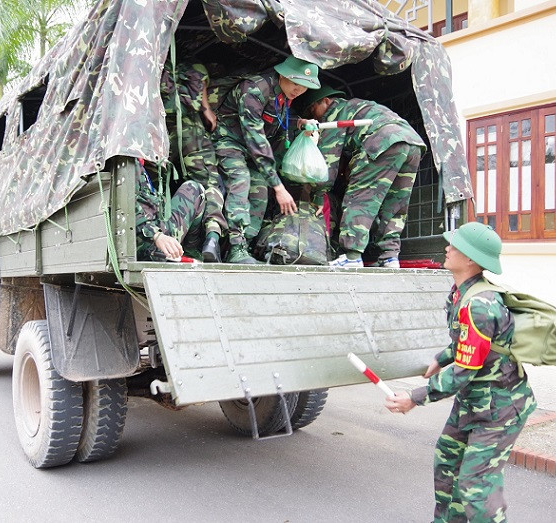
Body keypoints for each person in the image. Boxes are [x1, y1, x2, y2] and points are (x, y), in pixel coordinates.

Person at [385, 222, 536, 523]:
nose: (446, 248)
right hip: (473, 403)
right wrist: (441, 358)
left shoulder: (480, 303)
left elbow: (465, 371)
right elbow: (466, 342)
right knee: (447, 465)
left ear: (470, 259)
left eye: (453, 245)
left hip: (499, 410)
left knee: (475, 486)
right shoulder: (460, 293)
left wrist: (414, 398)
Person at [299, 85, 426, 268]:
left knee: (361, 198)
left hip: (383, 141)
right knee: (396, 203)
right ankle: (389, 256)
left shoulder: (335, 113)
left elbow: (328, 163)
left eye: (313, 110)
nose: (314, 117)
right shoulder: (360, 107)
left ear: (326, 101)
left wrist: (318, 195)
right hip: (412, 143)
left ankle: (351, 256)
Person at [212, 55, 320, 264]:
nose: (298, 90)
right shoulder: (254, 89)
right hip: (229, 141)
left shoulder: (284, 95)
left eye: (304, 87)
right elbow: (256, 139)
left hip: (250, 150)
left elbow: (276, 120)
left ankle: (245, 247)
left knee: (260, 187)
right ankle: (235, 247)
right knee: (241, 179)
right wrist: (279, 188)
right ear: (283, 74)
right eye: (295, 83)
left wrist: (300, 122)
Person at [160, 62, 227, 262]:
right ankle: (212, 238)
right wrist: (206, 110)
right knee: (210, 184)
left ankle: (161, 240)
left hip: (159, 131)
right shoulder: (195, 67)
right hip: (190, 131)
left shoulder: (153, 63)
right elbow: (202, 89)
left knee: (156, 184)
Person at [135, 161, 223, 262]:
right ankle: (189, 253)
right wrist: (156, 235)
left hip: (151, 240)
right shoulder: (129, 162)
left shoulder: (138, 165)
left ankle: (187, 253)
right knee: (193, 189)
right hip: (148, 244)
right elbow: (128, 209)